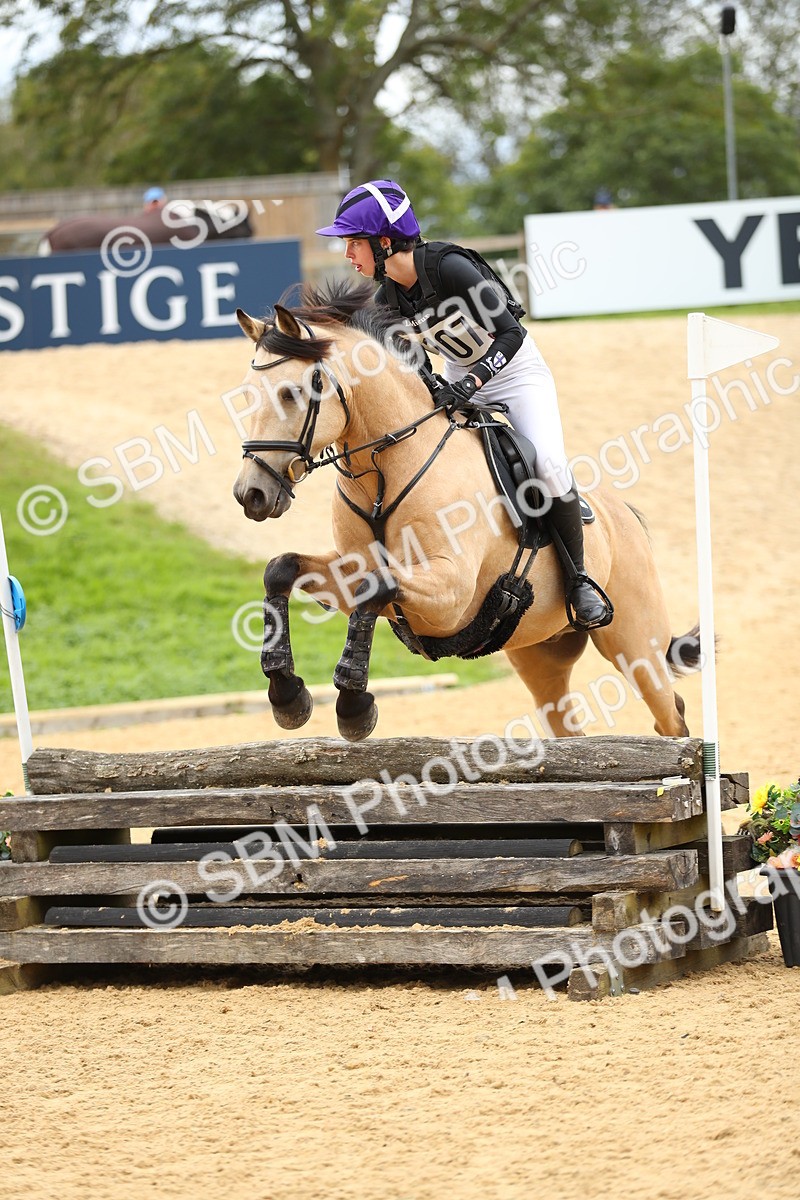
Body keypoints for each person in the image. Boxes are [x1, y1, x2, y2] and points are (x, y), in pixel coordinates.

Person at [315, 178, 612, 632]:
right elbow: (406, 363)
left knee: (549, 465)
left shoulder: (450, 267)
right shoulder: (388, 296)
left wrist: (472, 381)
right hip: (458, 380)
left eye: (354, 242)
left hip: (515, 376)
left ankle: (580, 581)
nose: (348, 254)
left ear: (385, 242)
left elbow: (512, 334)